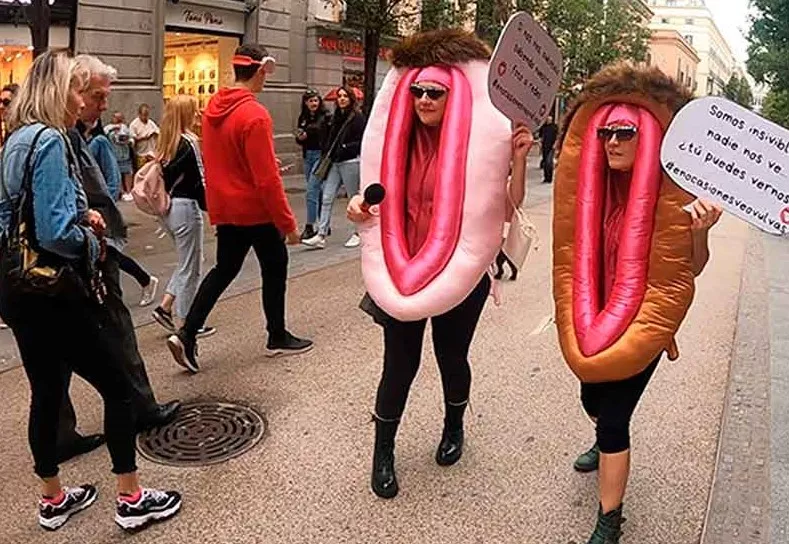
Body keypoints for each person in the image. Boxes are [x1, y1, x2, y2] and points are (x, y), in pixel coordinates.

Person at [0, 49, 181, 532]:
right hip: (58, 290)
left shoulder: (14, 139)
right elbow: (56, 229)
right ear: (59, 91)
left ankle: (53, 498)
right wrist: (91, 232)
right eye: (78, 90)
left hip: (18, 287)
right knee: (119, 389)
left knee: (45, 390)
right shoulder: (52, 141)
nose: (82, 99)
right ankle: (131, 497)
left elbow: (9, 220)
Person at [348, 29, 531, 499]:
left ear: (453, 98)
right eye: (418, 92)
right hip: (402, 265)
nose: (425, 99)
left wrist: (520, 161)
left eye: (435, 92)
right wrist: (358, 209)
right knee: (399, 362)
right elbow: (369, 200)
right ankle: (383, 451)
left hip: (463, 270)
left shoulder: (477, 148)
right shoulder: (397, 145)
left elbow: (510, 207)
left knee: (453, 355)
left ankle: (454, 425)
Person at [551, 64, 723, 544]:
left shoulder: (678, 198)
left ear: (645, 136)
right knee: (591, 397)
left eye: (624, 132)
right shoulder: (595, 195)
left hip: (644, 327)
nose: (612, 141)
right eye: (605, 132)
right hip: (594, 317)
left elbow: (693, 269)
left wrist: (700, 234)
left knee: (614, 418)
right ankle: (599, 439)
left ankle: (610, 520)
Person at [166, 44, 313, 373]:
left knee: (224, 269)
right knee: (275, 264)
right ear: (261, 70)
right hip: (254, 209)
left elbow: (222, 160)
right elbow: (266, 182)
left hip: (226, 206)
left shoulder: (215, 107)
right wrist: (288, 224)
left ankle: (187, 333)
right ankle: (276, 335)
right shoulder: (255, 114)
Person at [62, 54, 179, 451]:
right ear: (73, 93)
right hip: (83, 253)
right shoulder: (55, 138)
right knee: (114, 330)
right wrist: (97, 239)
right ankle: (139, 409)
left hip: (82, 251)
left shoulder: (67, 134)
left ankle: (64, 430)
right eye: (96, 95)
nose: (102, 104)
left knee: (58, 345)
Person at [76, 60, 159, 307]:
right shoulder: (79, 137)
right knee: (107, 257)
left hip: (98, 214)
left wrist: (107, 202)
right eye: (98, 98)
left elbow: (109, 177)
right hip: (91, 214)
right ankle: (143, 281)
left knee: (109, 256)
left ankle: (144, 280)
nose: (104, 107)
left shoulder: (99, 142)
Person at [150, 95, 214, 339]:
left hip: (167, 208)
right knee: (191, 265)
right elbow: (200, 179)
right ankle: (187, 321)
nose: (197, 112)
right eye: (193, 109)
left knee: (188, 261)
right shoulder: (189, 141)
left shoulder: (167, 142)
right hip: (186, 207)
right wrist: (214, 209)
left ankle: (166, 306)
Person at [302, 86, 366, 250]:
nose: (342, 99)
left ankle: (358, 233)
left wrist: (345, 147)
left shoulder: (357, 118)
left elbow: (361, 141)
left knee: (353, 199)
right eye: (340, 96)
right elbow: (329, 136)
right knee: (327, 196)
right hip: (335, 162)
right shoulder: (336, 116)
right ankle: (321, 234)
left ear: (351, 99)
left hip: (350, 162)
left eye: (345, 96)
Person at [295, 89, 328, 241]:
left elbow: (319, 128)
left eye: (315, 100)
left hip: (320, 156)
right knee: (318, 191)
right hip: (307, 155)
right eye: (310, 101)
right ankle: (324, 223)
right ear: (305, 103)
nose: (313, 103)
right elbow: (299, 136)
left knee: (311, 190)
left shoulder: (325, 116)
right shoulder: (303, 117)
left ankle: (310, 226)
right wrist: (300, 137)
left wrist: (307, 132)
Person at [105, 111, 135, 201]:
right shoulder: (108, 128)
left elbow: (131, 138)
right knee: (117, 174)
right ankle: (122, 192)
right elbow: (104, 133)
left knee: (127, 172)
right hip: (114, 154)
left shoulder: (125, 127)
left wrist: (129, 141)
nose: (117, 119)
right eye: (116, 117)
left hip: (124, 154)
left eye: (119, 117)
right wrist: (113, 129)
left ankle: (129, 191)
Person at [129, 103, 159, 170]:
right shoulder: (134, 124)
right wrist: (144, 137)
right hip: (141, 153)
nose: (145, 117)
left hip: (151, 151)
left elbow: (158, 131)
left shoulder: (151, 122)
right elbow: (133, 138)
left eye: (147, 115)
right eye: (144, 115)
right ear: (139, 114)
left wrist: (154, 134)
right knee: (142, 171)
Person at [537, 115, 558, 183]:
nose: (548, 120)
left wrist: (555, 144)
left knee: (549, 162)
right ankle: (546, 178)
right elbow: (540, 136)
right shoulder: (543, 127)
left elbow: (557, 136)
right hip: (544, 147)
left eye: (549, 119)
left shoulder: (554, 127)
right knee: (545, 162)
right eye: (547, 119)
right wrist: (540, 144)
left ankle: (550, 178)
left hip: (551, 147)